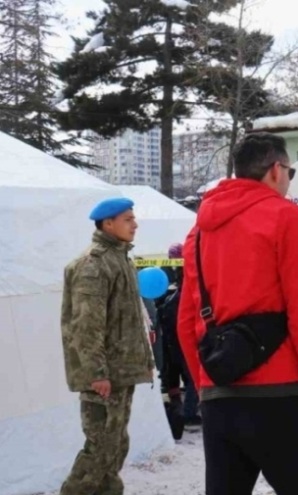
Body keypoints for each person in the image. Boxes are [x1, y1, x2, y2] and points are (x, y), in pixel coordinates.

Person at [177, 133, 298, 495]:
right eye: (291, 172)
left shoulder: (198, 233)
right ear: (276, 170)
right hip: (281, 394)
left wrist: (205, 387)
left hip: (220, 395)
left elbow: (187, 322)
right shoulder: (288, 217)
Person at [59, 197, 155, 495]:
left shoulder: (120, 259)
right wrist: (96, 372)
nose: (135, 223)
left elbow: (124, 315)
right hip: (104, 375)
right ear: (108, 223)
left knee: (115, 445)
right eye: (128, 219)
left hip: (121, 371)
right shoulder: (94, 264)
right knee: (100, 448)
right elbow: (86, 325)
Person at [158, 243, 201, 432]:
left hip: (171, 340)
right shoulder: (181, 293)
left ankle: (180, 409)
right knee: (191, 375)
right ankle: (188, 413)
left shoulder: (171, 296)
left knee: (176, 374)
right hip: (179, 339)